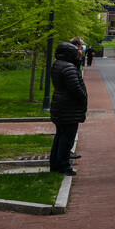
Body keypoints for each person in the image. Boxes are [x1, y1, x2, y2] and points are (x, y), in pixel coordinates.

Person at [49, 42, 88, 175]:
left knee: (60, 136)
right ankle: (64, 166)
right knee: (66, 139)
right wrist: (83, 97)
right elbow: (76, 88)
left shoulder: (59, 64)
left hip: (61, 106)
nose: (79, 53)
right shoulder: (69, 68)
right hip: (69, 108)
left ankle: (55, 165)